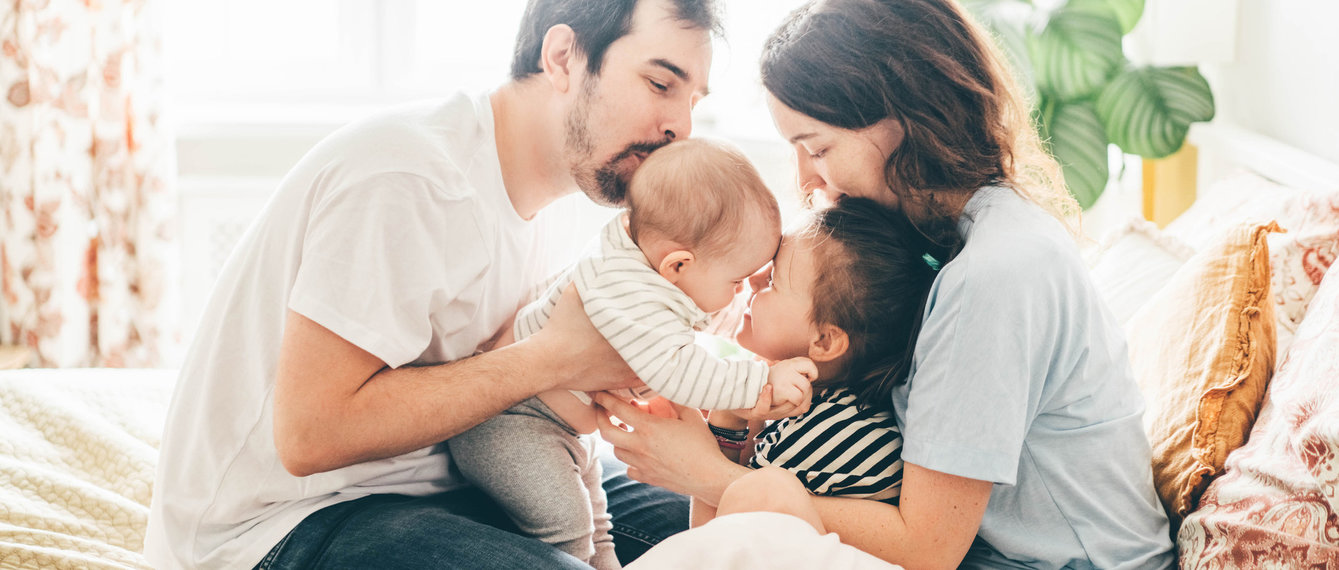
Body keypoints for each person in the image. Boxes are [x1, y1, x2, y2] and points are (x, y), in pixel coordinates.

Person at [594, 0, 1177, 568]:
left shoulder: (994, 274)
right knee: (614, 485)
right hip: (979, 546)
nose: (804, 179)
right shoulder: (946, 233)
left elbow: (927, 549)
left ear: (904, 120)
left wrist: (711, 476)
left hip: (1050, 562)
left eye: (817, 148)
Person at [144, 0, 721, 568]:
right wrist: (555, 358)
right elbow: (309, 436)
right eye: (660, 84)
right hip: (277, 524)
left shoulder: (565, 189)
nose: (683, 127)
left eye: (694, 101)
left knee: (729, 523)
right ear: (564, 57)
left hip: (448, 478)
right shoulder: (406, 177)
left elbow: (496, 373)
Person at [446, 138, 814, 569]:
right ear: (677, 265)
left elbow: (693, 321)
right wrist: (762, 382)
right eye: (736, 282)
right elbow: (676, 371)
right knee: (568, 527)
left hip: (562, 429)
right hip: (509, 425)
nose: (740, 293)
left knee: (599, 526)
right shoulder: (624, 288)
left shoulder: (649, 262)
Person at [689, 197, 947, 531]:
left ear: (825, 341)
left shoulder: (815, 440)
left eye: (772, 281)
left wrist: (727, 415)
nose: (753, 280)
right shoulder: (844, 407)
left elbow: (709, 545)